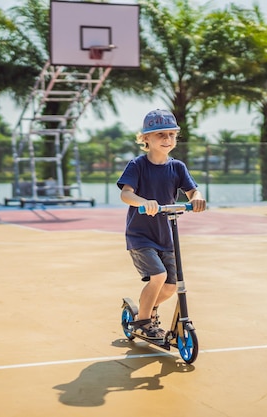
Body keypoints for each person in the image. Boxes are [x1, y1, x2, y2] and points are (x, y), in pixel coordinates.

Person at [117, 109, 206, 340]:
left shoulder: (177, 167)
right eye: (160, 135)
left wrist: (195, 198)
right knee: (157, 276)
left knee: (169, 285)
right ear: (145, 138)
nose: (167, 140)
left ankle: (147, 309)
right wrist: (144, 203)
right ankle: (143, 322)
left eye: (171, 135)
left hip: (165, 235)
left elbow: (192, 190)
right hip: (140, 236)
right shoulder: (138, 165)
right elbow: (126, 194)